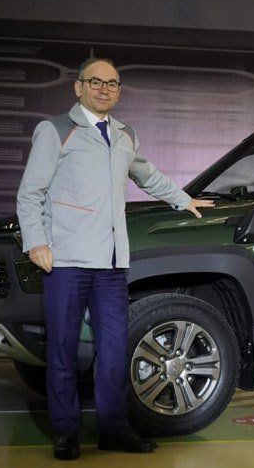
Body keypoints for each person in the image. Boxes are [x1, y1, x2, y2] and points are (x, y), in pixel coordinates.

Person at [16, 57, 214, 460]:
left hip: (110, 264)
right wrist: (36, 243)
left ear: (119, 92)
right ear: (79, 87)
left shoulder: (125, 134)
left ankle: (113, 429)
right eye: (96, 82)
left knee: (114, 353)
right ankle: (66, 431)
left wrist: (183, 199)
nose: (104, 89)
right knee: (63, 350)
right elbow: (30, 192)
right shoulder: (55, 131)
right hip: (67, 261)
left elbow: (147, 174)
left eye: (112, 84)